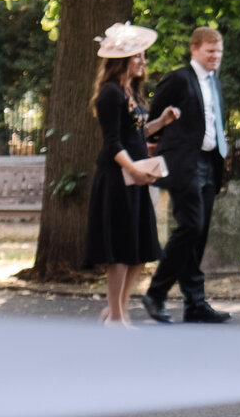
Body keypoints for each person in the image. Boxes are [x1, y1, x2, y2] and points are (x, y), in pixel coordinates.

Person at [84, 23, 173, 325]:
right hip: (116, 181)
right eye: (137, 57)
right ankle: (117, 317)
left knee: (139, 250)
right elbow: (113, 144)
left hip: (135, 179)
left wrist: (160, 121)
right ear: (121, 60)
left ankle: (116, 311)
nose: (142, 62)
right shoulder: (110, 94)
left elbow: (137, 132)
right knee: (120, 251)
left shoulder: (130, 91)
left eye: (143, 56)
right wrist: (136, 169)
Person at [146, 27, 231, 324]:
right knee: (190, 226)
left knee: (199, 232)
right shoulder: (178, 78)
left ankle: (195, 303)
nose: (215, 57)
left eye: (218, 52)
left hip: (209, 162)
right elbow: (153, 118)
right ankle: (156, 293)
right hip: (184, 163)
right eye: (210, 52)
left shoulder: (215, 82)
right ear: (194, 50)